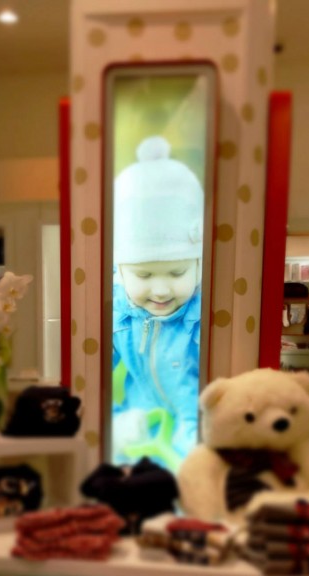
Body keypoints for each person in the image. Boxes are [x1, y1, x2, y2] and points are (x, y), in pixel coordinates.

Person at [112, 135, 204, 468]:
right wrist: (115, 422)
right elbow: (90, 378)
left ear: (198, 266)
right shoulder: (118, 315)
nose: (161, 290)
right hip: (140, 433)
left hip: (194, 437)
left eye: (177, 272)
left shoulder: (203, 316)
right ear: (121, 272)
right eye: (145, 275)